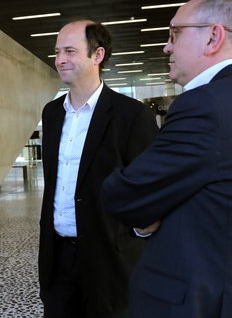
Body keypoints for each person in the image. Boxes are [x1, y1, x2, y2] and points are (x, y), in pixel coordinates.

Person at [102, 0, 232, 318]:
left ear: (213, 37)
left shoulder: (204, 105)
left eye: (175, 32)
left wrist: (149, 211)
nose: (166, 47)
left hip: (198, 295)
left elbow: (125, 193)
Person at [39, 20, 158, 318]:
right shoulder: (51, 113)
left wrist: (141, 231)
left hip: (109, 260)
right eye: (57, 52)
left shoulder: (131, 115)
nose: (60, 60)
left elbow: (150, 187)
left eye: (70, 51)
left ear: (98, 55)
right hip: (58, 258)